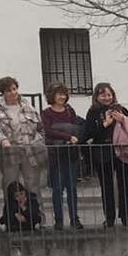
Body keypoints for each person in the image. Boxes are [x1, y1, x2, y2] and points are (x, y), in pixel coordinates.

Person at [0, 77, 46, 209]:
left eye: (14, 89)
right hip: (10, 152)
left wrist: (37, 141)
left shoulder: (28, 107)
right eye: (9, 90)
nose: (13, 92)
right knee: (10, 185)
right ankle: (12, 218)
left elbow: (40, 127)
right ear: (3, 93)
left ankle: (38, 217)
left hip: (29, 151)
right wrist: (2, 139)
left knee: (33, 185)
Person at [84, 84, 128, 227]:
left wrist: (123, 120)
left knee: (125, 185)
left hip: (122, 151)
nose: (107, 98)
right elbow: (89, 133)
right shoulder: (93, 112)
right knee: (106, 186)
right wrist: (104, 124)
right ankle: (109, 217)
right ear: (97, 97)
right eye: (103, 95)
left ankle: (126, 216)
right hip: (102, 152)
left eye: (109, 95)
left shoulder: (121, 109)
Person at [40, 85, 84, 229]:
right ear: (52, 95)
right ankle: (58, 219)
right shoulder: (46, 113)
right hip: (55, 154)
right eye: (59, 94)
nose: (62, 97)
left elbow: (75, 127)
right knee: (57, 188)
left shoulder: (70, 111)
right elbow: (47, 131)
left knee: (72, 188)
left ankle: (74, 218)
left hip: (70, 154)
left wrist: (72, 137)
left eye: (64, 94)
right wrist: (67, 136)